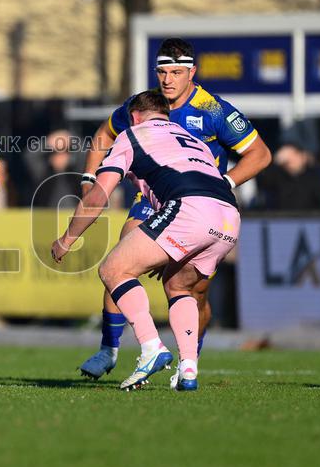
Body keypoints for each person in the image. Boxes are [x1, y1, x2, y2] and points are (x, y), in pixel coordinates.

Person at [77, 38, 270, 382]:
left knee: (193, 292)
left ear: (192, 73)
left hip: (199, 204)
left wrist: (226, 181)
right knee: (121, 260)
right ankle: (110, 348)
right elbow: (103, 134)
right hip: (151, 199)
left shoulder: (213, 110)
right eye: (162, 72)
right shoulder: (144, 106)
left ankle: (188, 360)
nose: (167, 80)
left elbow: (260, 154)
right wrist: (89, 178)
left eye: (176, 72)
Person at [52, 91, 241, 392]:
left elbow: (99, 196)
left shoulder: (132, 135)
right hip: (229, 216)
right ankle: (188, 369)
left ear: (135, 117)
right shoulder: (191, 138)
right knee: (179, 287)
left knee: (114, 269)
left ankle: (152, 347)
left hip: (190, 210)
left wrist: (67, 238)